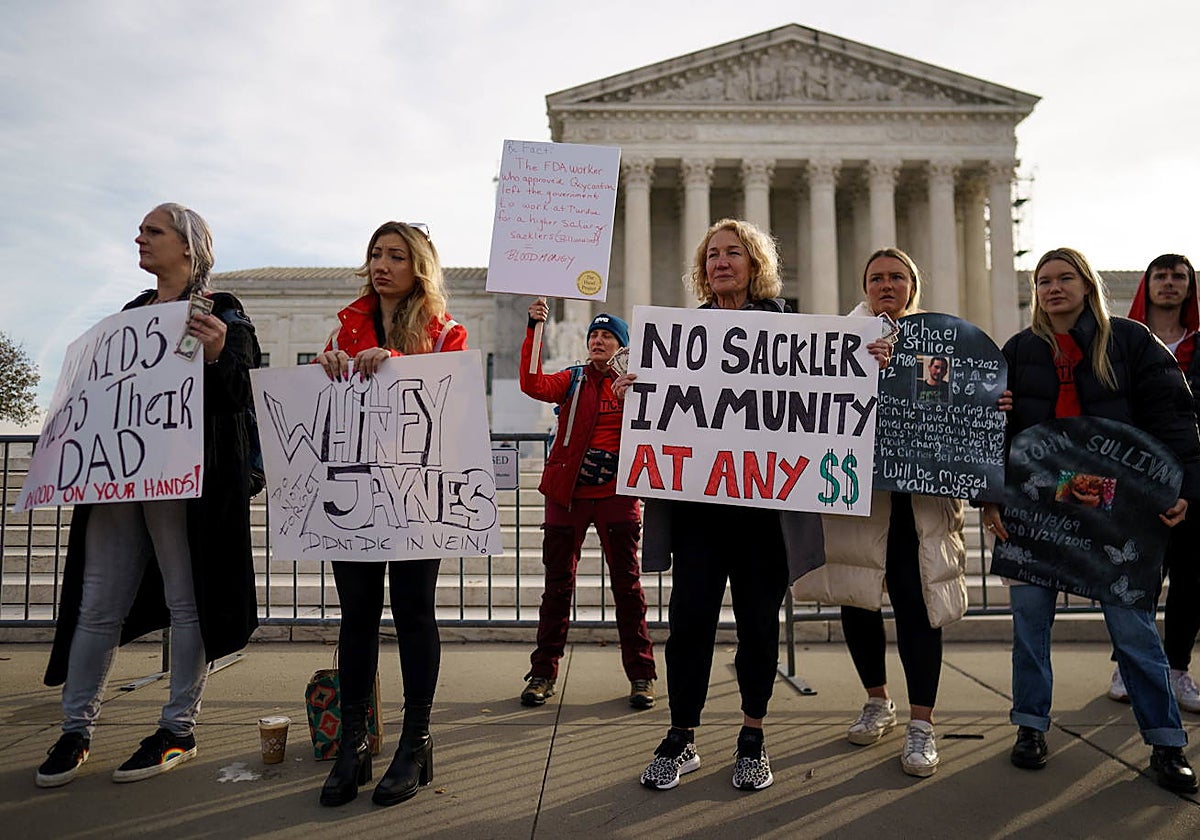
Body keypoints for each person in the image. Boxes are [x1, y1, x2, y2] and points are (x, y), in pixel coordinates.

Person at [633, 219, 885, 793]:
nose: (721, 262)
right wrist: (636, 394)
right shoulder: (681, 338)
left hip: (765, 514)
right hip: (699, 511)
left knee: (757, 627)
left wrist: (870, 364)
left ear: (755, 265)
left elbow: (829, 394)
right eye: (712, 255)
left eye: (734, 253)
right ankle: (681, 735)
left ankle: (753, 735)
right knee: (689, 624)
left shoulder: (792, 333)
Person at [36, 203, 260, 788]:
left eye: (153, 230)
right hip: (118, 481)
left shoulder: (224, 316)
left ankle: (178, 728)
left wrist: (216, 354)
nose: (140, 238)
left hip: (181, 486)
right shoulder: (127, 320)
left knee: (188, 600)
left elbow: (240, 395)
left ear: (188, 246)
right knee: (97, 602)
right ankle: (75, 729)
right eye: (140, 230)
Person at [982, 247, 1198, 793]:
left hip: (1114, 506)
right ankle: (1030, 728)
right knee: (1030, 628)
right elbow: (993, 434)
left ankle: (1166, 742)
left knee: (1133, 629)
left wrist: (1185, 489)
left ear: (1087, 284)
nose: (1054, 288)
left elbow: (1173, 417)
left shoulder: (1130, 341)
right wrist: (990, 498)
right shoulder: (1019, 350)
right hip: (1037, 506)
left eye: (1065, 278)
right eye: (1044, 281)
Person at [794, 247, 967, 778]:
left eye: (896, 277)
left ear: (913, 286)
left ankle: (922, 724)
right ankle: (877, 700)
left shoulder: (942, 341)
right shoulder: (838, 342)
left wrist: (985, 400)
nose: (886, 285)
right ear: (864, 287)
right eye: (876, 278)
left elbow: (955, 406)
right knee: (858, 600)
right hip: (859, 499)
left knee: (919, 608)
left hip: (919, 502)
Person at [312, 221, 467, 808]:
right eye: (376, 254)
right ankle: (353, 741)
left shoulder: (446, 332)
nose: (382, 264)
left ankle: (415, 742)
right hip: (352, 491)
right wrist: (325, 367)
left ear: (418, 266)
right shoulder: (344, 328)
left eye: (396, 256)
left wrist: (398, 363)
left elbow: (451, 404)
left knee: (412, 613)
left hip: (415, 497)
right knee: (356, 616)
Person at [517, 305, 657, 709]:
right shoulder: (573, 379)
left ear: (622, 346)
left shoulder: (637, 386)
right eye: (594, 335)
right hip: (568, 495)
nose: (598, 341)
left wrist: (634, 401)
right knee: (557, 587)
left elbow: (663, 423)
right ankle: (543, 673)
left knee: (628, 588)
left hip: (617, 496)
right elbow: (532, 383)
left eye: (607, 336)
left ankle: (642, 675)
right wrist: (535, 327)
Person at [1110, 254, 1200, 714]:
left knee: (1192, 577)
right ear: (1147, 286)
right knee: (1135, 574)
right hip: (1136, 474)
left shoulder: (1198, 344)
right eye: (1160, 276)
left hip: (1193, 474)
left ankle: (1177, 667)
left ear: (1190, 287)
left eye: (1178, 276)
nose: (1169, 283)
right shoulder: (1124, 343)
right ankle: (1127, 664)